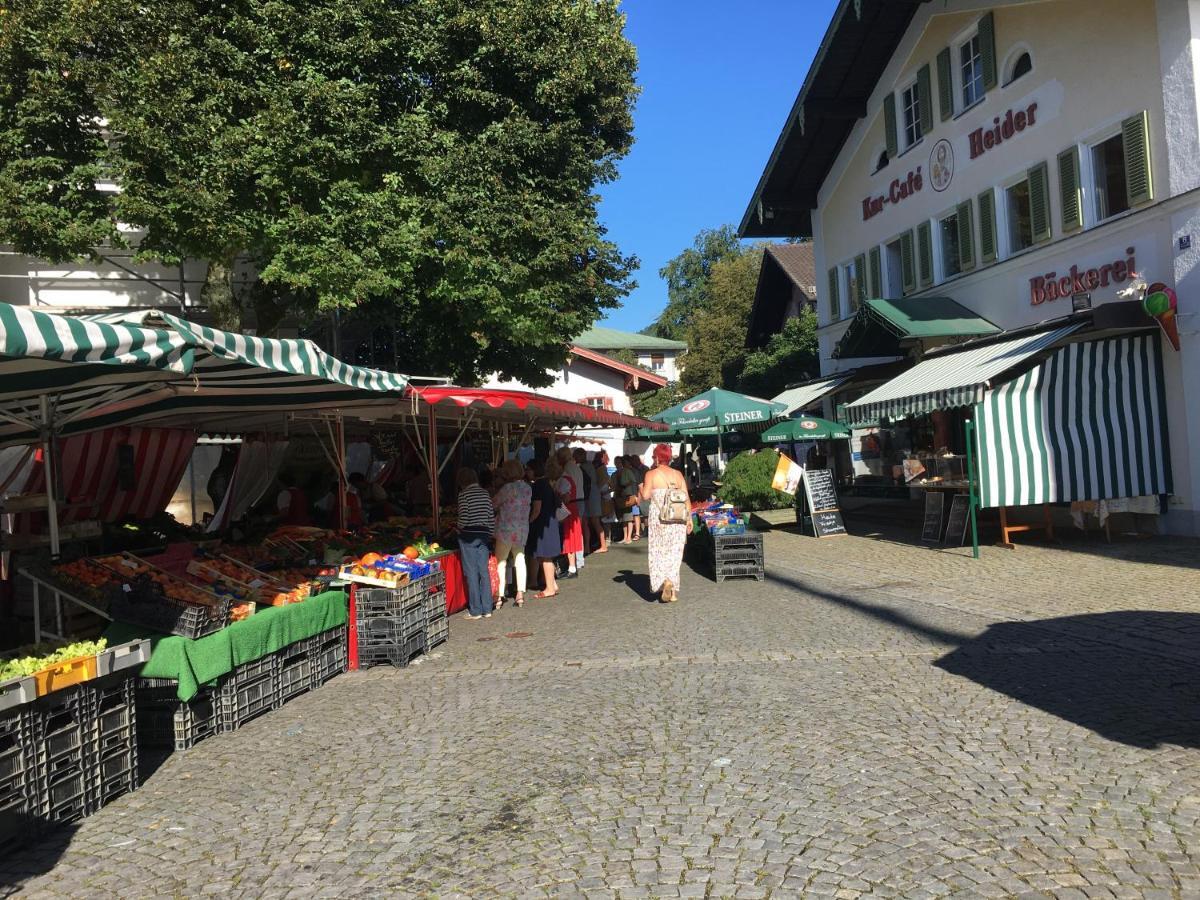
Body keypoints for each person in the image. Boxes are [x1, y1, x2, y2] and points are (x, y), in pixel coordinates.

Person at [640, 443, 692, 603]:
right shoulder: (678, 474)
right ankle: (673, 591)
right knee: (675, 554)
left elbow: (646, 496)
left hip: (659, 519)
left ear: (657, 458)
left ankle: (664, 581)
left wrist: (641, 488)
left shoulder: (651, 474)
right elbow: (686, 497)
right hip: (678, 519)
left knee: (659, 552)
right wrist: (689, 519)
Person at [455, 468, 495, 620]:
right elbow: (490, 516)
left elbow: (464, 516)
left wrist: (458, 527)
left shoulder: (463, 495)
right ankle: (488, 608)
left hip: (468, 536)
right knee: (483, 571)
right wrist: (489, 533)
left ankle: (476, 610)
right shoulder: (485, 493)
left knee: (471, 573)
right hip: (484, 535)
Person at [492, 459, 531, 608]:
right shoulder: (527, 488)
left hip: (506, 530)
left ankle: (499, 595)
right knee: (520, 560)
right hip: (522, 529)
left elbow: (494, 503)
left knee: (500, 562)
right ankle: (520, 593)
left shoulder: (507, 488)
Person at [525, 459, 561, 598]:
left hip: (542, 525)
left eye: (528, 469)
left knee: (545, 557)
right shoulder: (546, 483)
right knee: (544, 557)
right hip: (550, 523)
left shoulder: (538, 485)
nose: (527, 472)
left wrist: (528, 522)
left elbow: (536, 509)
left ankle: (550, 588)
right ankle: (553, 584)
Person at [554, 448, 584, 578]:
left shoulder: (565, 474)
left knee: (569, 536)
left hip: (569, 506)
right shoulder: (576, 467)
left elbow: (566, 494)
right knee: (575, 534)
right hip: (577, 503)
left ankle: (572, 566)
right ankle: (577, 563)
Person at [572, 448, 592, 563]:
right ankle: (586, 548)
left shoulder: (582, 468)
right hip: (584, 498)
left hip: (581, 499)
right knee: (584, 524)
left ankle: (585, 549)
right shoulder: (582, 468)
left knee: (582, 525)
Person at [589, 450, 610, 554]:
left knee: (602, 519)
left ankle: (605, 541)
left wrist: (599, 490)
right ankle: (605, 540)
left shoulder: (600, 468)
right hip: (602, 495)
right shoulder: (602, 468)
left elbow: (602, 483)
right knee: (603, 519)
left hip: (601, 495)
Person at [617, 455, 639, 544]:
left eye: (624, 462)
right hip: (623, 496)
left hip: (629, 496)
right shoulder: (622, 471)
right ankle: (625, 536)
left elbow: (634, 482)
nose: (623, 464)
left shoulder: (629, 471)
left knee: (629, 517)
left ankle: (629, 537)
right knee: (624, 518)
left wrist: (635, 496)